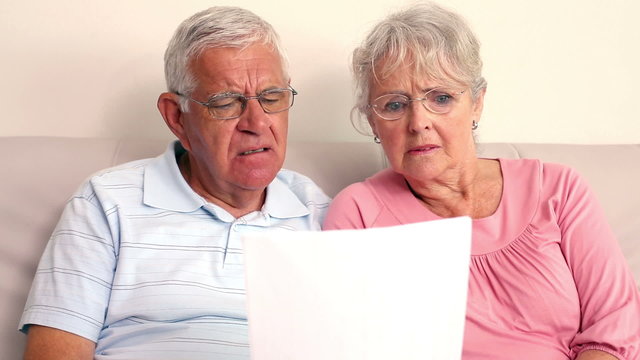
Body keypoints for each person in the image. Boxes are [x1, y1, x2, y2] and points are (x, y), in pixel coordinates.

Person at [323, 2, 640, 360]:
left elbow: (615, 327)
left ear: (477, 103)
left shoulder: (559, 189)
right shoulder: (358, 214)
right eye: (394, 105)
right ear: (372, 121)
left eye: (441, 98)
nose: (418, 122)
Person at [19, 6, 330, 359]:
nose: (257, 123)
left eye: (272, 98)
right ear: (177, 118)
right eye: (226, 103)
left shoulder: (320, 214)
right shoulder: (106, 203)